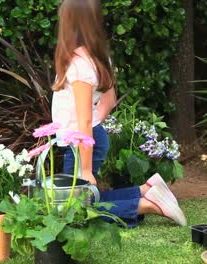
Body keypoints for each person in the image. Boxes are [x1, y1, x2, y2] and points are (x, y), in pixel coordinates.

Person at [51, 0, 186, 228]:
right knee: (78, 201)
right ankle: (146, 190)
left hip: (81, 144)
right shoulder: (97, 57)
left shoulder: (78, 65)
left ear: (70, 23)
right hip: (88, 137)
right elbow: (109, 100)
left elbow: (83, 120)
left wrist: (84, 168)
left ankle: (146, 205)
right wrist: (94, 125)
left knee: (72, 211)